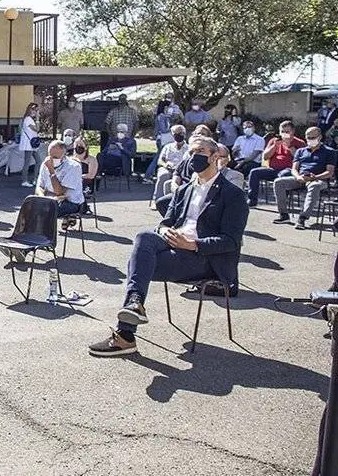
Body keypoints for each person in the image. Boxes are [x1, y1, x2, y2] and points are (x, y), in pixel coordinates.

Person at [89, 136, 249, 357]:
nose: (194, 156)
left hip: (204, 259)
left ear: (214, 156)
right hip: (175, 246)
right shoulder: (185, 191)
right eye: (191, 152)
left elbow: (231, 241)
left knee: (138, 264)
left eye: (200, 151)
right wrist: (164, 231)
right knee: (144, 237)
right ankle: (134, 307)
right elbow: (166, 222)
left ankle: (125, 334)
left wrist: (193, 244)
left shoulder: (233, 194)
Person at [273, 127, 337, 230]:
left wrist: (315, 177)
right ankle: (283, 215)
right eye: (308, 138)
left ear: (320, 137)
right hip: (301, 178)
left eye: (313, 137)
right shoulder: (301, 151)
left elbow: (329, 172)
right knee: (278, 182)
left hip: (319, 179)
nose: (310, 140)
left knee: (314, 186)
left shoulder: (330, 152)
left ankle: (302, 218)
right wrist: (298, 177)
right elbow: (294, 169)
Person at [247, 121, 304, 207]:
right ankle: (252, 200)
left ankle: (281, 202)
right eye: (282, 132)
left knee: (283, 175)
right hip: (273, 169)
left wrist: (289, 146)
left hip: (289, 169)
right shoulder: (274, 141)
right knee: (254, 172)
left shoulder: (300, 143)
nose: (284, 134)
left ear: (293, 131)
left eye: (287, 132)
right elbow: (265, 157)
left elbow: (301, 159)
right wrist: (274, 146)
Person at [35, 140, 85, 229]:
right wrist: (42, 198)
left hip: (70, 202)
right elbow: (39, 187)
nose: (51, 159)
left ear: (64, 156)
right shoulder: (45, 163)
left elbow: (60, 192)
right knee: (30, 208)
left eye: (55, 157)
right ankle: (29, 235)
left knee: (46, 212)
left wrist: (51, 171)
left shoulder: (74, 167)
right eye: (50, 155)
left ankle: (46, 237)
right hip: (50, 199)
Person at [152, 125, 189, 201]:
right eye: (175, 134)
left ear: (184, 134)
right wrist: (166, 164)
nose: (178, 136)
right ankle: (157, 200)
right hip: (168, 168)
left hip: (181, 170)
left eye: (180, 133)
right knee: (163, 175)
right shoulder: (167, 147)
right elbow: (160, 161)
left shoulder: (189, 148)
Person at [19, 102, 42, 187]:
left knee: (38, 161)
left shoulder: (29, 119)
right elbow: (37, 129)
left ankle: (35, 179)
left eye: (36, 110)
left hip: (32, 144)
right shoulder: (28, 119)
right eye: (33, 109)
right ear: (29, 109)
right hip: (28, 144)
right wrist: (38, 119)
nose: (34, 111)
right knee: (27, 162)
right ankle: (24, 180)